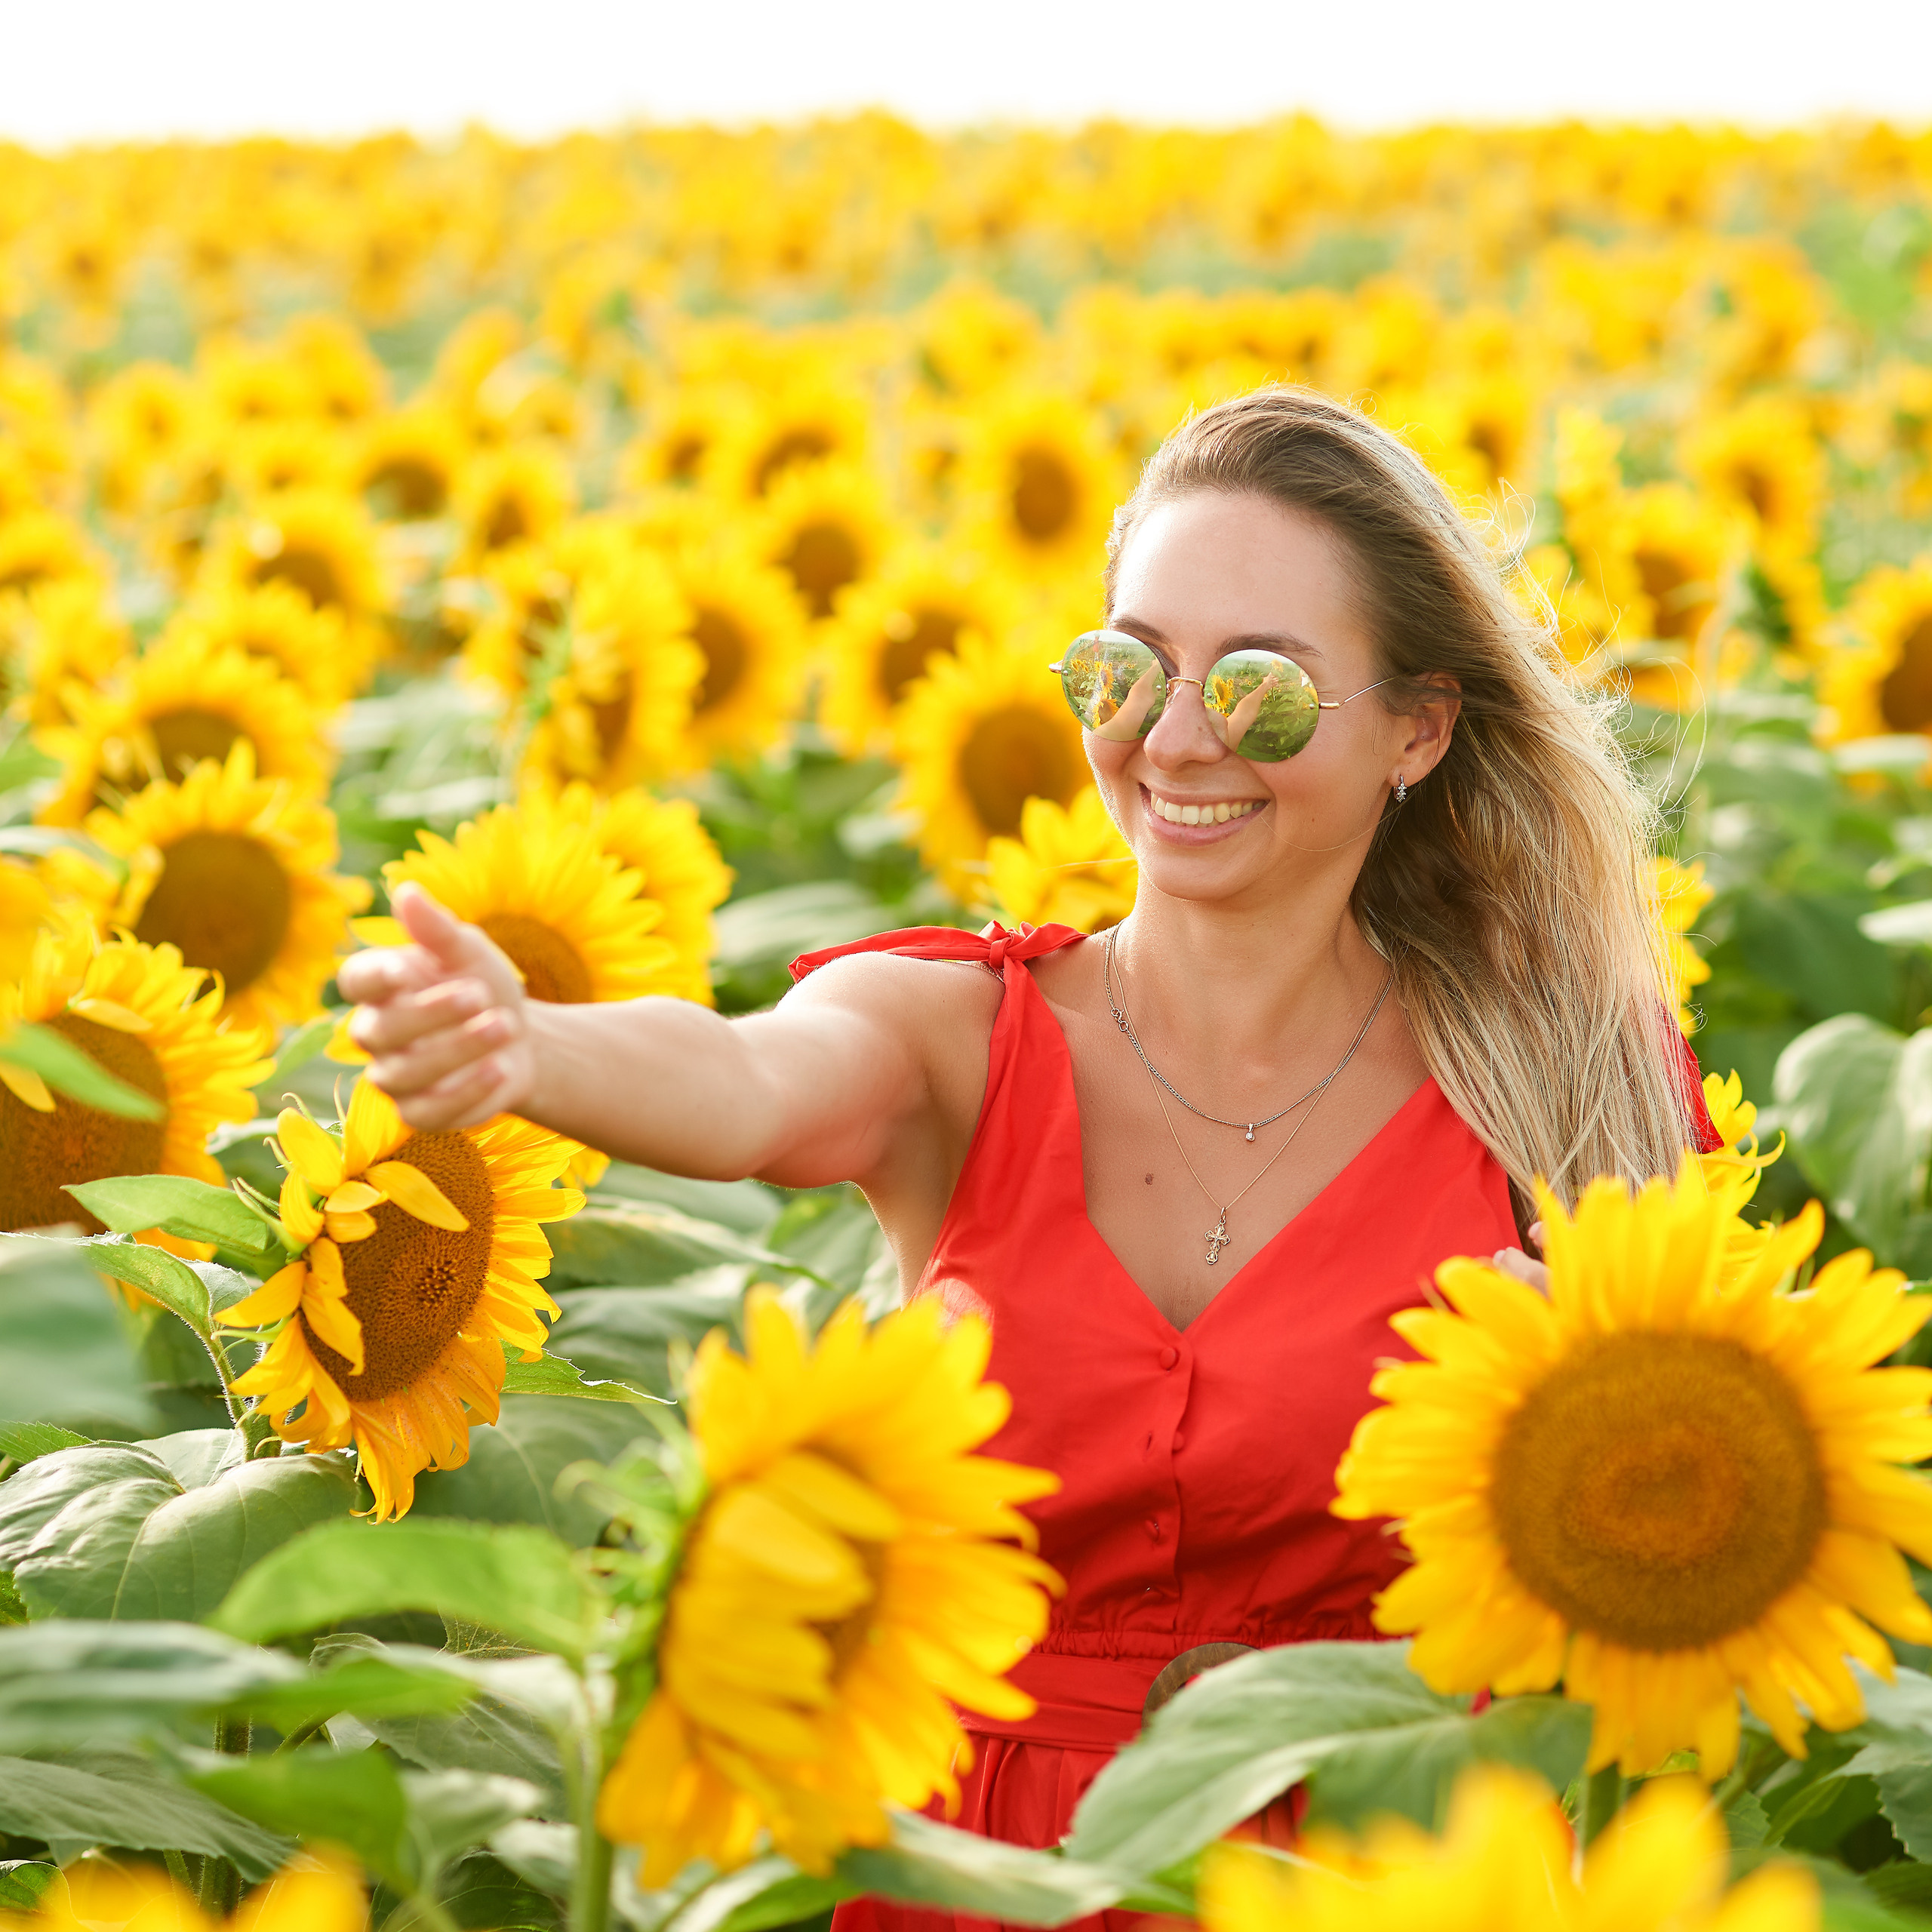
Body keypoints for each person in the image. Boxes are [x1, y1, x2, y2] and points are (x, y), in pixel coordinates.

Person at [340, 386, 1721, 1925]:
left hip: (1372, 1871)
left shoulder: (1554, 1087)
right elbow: (743, 1083)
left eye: (1258, 688)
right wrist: (533, 1048)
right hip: (957, 1876)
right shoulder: (953, 1037)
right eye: (1126, 670)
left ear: (1418, 725)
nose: (1174, 737)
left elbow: (1708, 1505)